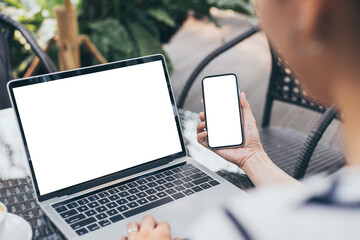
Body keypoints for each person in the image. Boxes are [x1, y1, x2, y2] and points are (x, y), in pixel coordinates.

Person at [120, 0, 360, 239]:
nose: (258, 17)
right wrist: (252, 156)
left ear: (311, 10)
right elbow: (316, 216)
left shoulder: (243, 227)